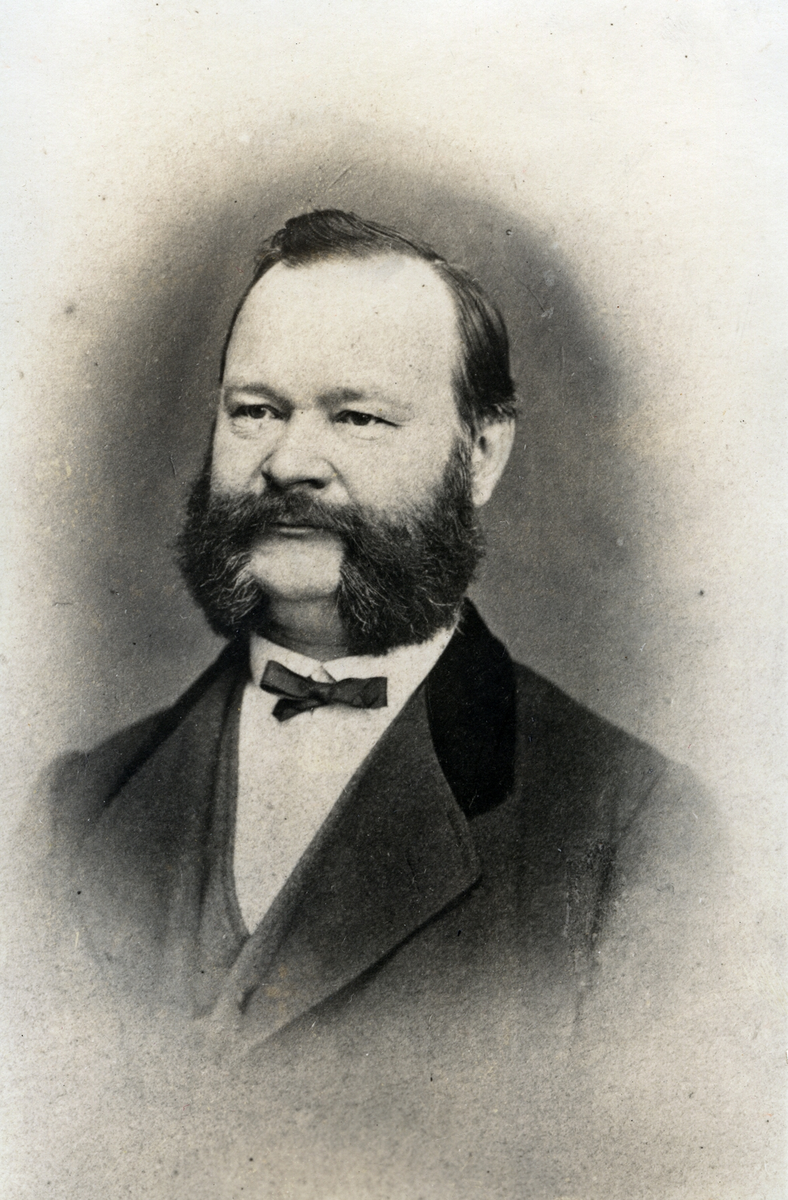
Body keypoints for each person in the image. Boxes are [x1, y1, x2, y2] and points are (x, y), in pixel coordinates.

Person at [33, 208, 761, 1194]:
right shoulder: (77, 812)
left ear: (481, 454)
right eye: (255, 411)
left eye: (356, 417)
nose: (289, 461)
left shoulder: (634, 836)